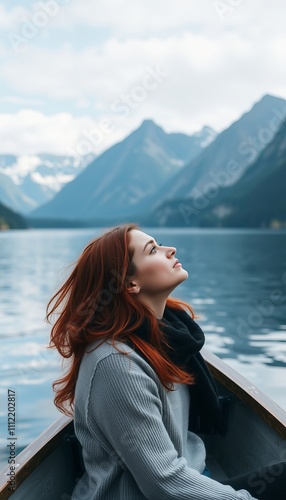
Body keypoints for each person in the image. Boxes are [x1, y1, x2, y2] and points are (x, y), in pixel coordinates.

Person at [47, 223, 270, 499]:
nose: (170, 250)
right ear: (130, 283)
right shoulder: (116, 365)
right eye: (153, 250)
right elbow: (164, 482)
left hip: (192, 474)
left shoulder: (167, 336)